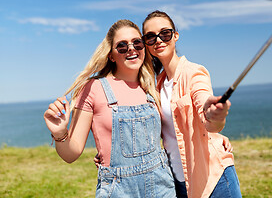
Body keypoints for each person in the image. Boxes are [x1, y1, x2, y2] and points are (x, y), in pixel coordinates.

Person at [43, 19, 176, 198]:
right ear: (111, 55)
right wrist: (60, 133)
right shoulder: (93, 88)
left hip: (162, 186)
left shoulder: (152, 86)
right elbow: (70, 154)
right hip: (118, 190)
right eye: (122, 46)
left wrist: (213, 137)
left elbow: (174, 132)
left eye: (137, 43)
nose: (131, 48)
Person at [141, 10, 242, 198]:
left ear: (175, 35)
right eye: (150, 36)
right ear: (146, 43)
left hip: (213, 177)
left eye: (165, 33)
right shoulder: (156, 86)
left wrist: (213, 115)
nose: (158, 40)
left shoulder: (194, 72)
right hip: (179, 182)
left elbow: (203, 103)